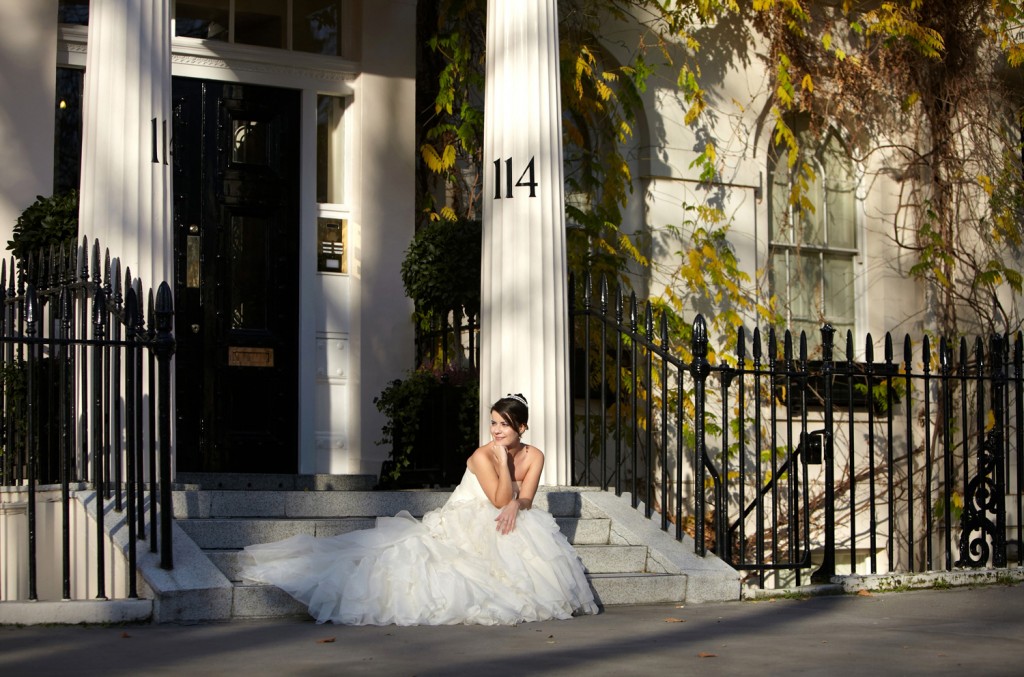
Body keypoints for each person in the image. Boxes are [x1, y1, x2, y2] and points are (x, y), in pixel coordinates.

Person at [240, 394, 599, 626]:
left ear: (521, 427)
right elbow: (496, 499)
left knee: (521, 527)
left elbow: (526, 499)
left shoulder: (534, 454)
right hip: (469, 511)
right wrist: (504, 466)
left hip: (502, 508)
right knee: (473, 541)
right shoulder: (481, 455)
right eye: (493, 422)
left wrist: (517, 505)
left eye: (504, 424)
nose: (496, 430)